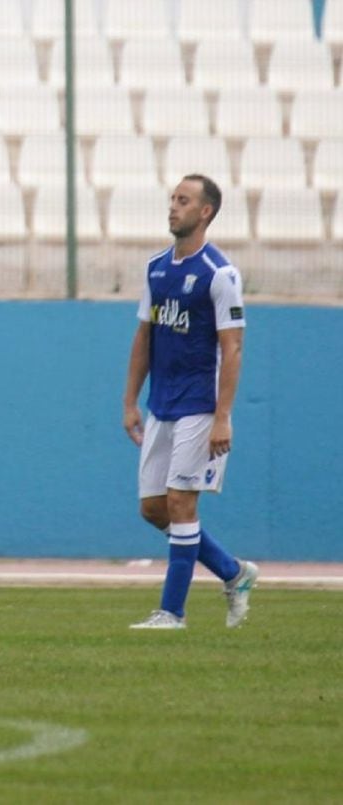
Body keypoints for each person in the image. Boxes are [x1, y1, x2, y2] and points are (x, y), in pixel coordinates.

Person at [123, 174, 258, 630]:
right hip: (162, 403)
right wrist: (130, 401)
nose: (173, 207)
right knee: (153, 509)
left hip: (200, 406)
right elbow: (144, 336)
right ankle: (233, 571)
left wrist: (224, 417)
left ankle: (171, 612)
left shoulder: (220, 274)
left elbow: (233, 347)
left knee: (182, 503)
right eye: (172, 199)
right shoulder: (156, 268)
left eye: (183, 201)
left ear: (205, 212)